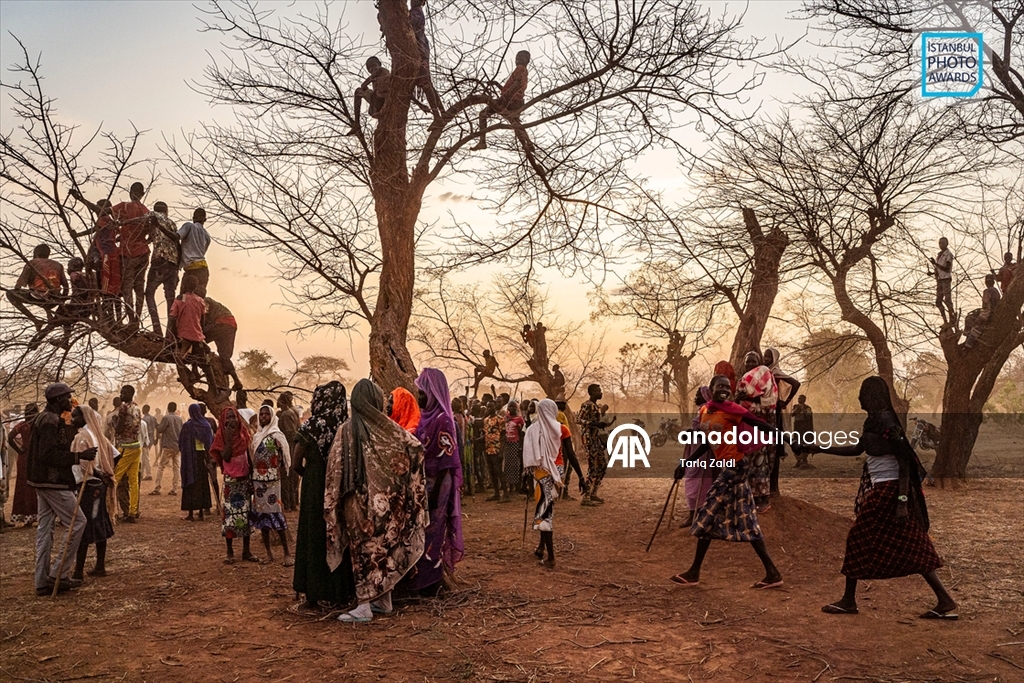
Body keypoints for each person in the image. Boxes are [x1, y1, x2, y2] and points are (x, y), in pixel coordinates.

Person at [816, 377, 956, 619]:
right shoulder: (875, 421)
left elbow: (904, 461)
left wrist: (902, 501)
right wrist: (817, 447)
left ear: (871, 395)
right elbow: (858, 449)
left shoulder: (885, 421)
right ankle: (945, 600)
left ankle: (849, 601)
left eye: (863, 393)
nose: (859, 398)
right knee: (913, 544)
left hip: (889, 490)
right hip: (886, 489)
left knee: (858, 538)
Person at [326, 379, 428, 622]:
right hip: (389, 504)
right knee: (384, 549)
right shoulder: (390, 429)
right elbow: (415, 447)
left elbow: (335, 469)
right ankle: (384, 600)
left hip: (358, 505)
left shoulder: (348, 430)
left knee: (363, 552)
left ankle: (364, 606)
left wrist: (333, 497)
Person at [670, 374, 783, 590]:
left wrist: (786, 438)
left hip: (736, 470)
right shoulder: (704, 411)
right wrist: (685, 464)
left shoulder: (733, 409)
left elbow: (760, 424)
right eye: (719, 386)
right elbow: (706, 444)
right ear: (711, 388)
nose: (724, 389)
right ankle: (772, 572)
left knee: (708, 514)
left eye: (727, 387)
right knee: (744, 520)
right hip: (729, 469)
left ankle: (694, 572)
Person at [292, 382, 356, 608]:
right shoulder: (346, 427)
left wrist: (312, 475)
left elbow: (295, 462)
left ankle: (312, 594)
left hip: (314, 488)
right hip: (340, 489)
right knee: (338, 535)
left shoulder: (311, 425)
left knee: (313, 535)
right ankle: (339, 593)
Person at [28, 382, 94, 595]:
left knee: (45, 530)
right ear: (57, 400)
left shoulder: (44, 418)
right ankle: (58, 574)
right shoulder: (50, 421)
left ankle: (42, 582)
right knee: (78, 522)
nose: (69, 401)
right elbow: (47, 454)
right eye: (66, 398)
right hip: (53, 481)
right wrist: (78, 457)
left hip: (41, 481)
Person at [411, 368, 465, 594]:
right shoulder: (424, 418)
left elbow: (447, 460)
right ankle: (419, 578)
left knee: (433, 529)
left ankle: (429, 582)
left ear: (433, 392)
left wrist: (433, 495)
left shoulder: (443, 420)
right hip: (425, 481)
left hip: (438, 482)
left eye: (422, 392)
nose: (419, 397)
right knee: (421, 529)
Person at [72, 183, 151, 323]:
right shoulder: (146, 212)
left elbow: (98, 217)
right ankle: (131, 320)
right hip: (143, 253)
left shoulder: (122, 208)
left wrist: (79, 198)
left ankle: (124, 319)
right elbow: (150, 235)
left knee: (118, 289)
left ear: (130, 192)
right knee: (135, 288)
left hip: (119, 255)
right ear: (142, 194)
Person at [69, 405, 116, 582]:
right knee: (99, 523)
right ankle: (99, 565)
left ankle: (78, 571)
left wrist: (96, 473)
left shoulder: (82, 437)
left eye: (75, 417)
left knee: (85, 526)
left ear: (84, 418)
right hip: (96, 485)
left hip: (88, 486)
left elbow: (83, 464)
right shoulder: (92, 435)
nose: (72, 420)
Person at [523, 398, 570, 568]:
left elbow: (529, 457)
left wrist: (527, 479)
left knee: (545, 514)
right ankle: (541, 547)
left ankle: (551, 557)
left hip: (541, 474)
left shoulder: (532, 430)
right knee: (546, 509)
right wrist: (580, 477)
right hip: (558, 473)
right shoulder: (561, 429)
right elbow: (569, 455)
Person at [245, 404, 291, 565]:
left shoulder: (277, 436)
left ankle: (287, 553)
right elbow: (251, 459)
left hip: (273, 482)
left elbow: (285, 458)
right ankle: (269, 554)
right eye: (261, 415)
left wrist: (280, 473)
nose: (263, 417)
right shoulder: (256, 437)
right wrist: (252, 479)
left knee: (276, 514)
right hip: (258, 481)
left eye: (266, 414)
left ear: (272, 417)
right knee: (263, 518)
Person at [210, 407, 257, 563]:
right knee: (230, 518)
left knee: (246, 516)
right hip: (231, 482)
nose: (231, 421)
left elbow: (249, 458)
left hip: (245, 480)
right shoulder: (221, 437)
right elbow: (226, 456)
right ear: (223, 421)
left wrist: (251, 480)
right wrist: (229, 439)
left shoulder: (244, 434)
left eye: (234, 417)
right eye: (228, 418)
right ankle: (230, 552)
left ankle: (246, 551)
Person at [736, 351, 778, 512]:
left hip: (762, 428)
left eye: (752, 361)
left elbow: (770, 401)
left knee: (761, 462)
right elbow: (737, 404)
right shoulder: (744, 381)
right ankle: (751, 496)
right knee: (748, 463)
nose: (749, 365)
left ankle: (764, 497)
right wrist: (741, 398)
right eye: (747, 362)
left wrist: (750, 398)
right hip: (746, 428)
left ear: (759, 362)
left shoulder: (765, 374)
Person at [472, 50, 531, 151]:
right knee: (516, 123)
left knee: (483, 114)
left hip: (511, 101)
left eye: (520, 57)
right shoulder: (523, 71)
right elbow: (512, 88)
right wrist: (497, 85)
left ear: (526, 60)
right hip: (516, 102)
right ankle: (528, 144)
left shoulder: (520, 69)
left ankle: (482, 142)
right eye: (517, 57)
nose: (517, 60)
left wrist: (503, 99)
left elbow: (516, 86)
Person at [8, 244, 69, 335]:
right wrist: (61, 300)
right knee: (45, 294)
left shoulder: (33, 263)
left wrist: (17, 290)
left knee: (10, 294)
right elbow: (66, 287)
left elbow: (20, 284)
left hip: (37, 297)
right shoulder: (58, 265)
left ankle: (35, 320)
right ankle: (49, 314)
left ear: (36, 253)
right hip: (54, 300)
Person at [763, 348, 800, 496]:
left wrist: (784, 401)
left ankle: (774, 487)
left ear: (775, 358)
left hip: (775, 412)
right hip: (764, 412)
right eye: (764, 356)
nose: (765, 358)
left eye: (768, 356)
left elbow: (796, 384)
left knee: (776, 446)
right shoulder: (763, 372)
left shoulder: (775, 372)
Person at [144, 202, 181, 336]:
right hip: (173, 263)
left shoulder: (153, 216)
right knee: (170, 298)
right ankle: (170, 334)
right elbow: (177, 244)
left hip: (159, 259)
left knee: (149, 293)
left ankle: (157, 330)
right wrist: (177, 268)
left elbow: (140, 221)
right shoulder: (172, 223)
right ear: (166, 211)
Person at [680, 387, 714, 528]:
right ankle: (693, 513)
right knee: (693, 480)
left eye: (698, 394)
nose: (695, 397)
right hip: (694, 449)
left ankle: (697, 514)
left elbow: (709, 434)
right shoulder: (701, 410)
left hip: (702, 452)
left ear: (706, 396)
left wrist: (692, 433)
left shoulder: (706, 410)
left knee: (698, 482)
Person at [111, 385, 143, 522]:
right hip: (136, 446)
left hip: (125, 446)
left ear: (129, 394)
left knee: (114, 478)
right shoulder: (137, 408)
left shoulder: (124, 408)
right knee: (133, 481)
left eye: (123, 393)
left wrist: (114, 422)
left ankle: (111, 511)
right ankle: (133, 511)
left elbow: (118, 429)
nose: (121, 395)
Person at [579, 384, 614, 506]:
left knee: (603, 466)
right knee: (593, 467)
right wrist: (593, 424)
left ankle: (593, 493)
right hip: (588, 439)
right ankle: (586, 497)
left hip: (596, 439)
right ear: (592, 392)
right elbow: (579, 420)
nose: (601, 393)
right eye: (599, 391)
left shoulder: (596, 406)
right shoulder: (586, 405)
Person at [178, 404, 213, 522]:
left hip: (190, 459)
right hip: (202, 457)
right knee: (202, 484)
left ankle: (191, 513)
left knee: (191, 483)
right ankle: (201, 513)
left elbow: (181, 443)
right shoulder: (206, 425)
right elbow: (209, 443)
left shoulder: (188, 426)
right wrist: (208, 459)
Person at [409, 0, 443, 117]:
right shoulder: (415, 11)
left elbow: (411, 22)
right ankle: (442, 112)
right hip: (421, 49)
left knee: (425, 82)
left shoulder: (416, 12)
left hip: (420, 51)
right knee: (427, 82)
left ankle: (438, 116)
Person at [8, 404, 40, 526]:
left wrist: (19, 450)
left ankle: (24, 516)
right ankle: (33, 515)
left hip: (23, 456)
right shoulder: (37, 425)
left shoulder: (21, 425)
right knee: (34, 486)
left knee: (22, 485)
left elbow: (10, 438)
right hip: (34, 457)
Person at [346, 57, 392, 136]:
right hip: (379, 101)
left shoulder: (381, 70)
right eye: (369, 68)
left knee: (358, 91)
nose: (371, 69)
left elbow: (366, 82)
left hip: (383, 99)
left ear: (379, 64)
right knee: (362, 93)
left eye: (373, 65)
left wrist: (364, 85)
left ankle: (357, 124)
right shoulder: (377, 78)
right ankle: (357, 124)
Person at [168, 274, 207, 357]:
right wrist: (200, 333)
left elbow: (172, 318)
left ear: (183, 285)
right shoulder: (200, 301)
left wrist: (174, 336)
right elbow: (202, 321)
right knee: (204, 362)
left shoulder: (180, 298)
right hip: (197, 337)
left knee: (178, 359)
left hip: (183, 336)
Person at [276, 392, 301, 513]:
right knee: (292, 477)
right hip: (293, 447)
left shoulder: (286, 415)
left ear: (282, 402)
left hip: (288, 447)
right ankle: (294, 502)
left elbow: (290, 433)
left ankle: (288, 504)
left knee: (287, 477)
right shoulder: (293, 412)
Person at [151, 402, 183, 495]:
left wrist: (156, 424)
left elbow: (160, 429)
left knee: (161, 466)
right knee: (176, 467)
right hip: (177, 446)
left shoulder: (166, 418)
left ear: (168, 409)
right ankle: (175, 488)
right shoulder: (179, 419)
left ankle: (157, 488)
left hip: (168, 446)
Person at [554, 400, 584, 500]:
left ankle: (562, 492)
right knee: (566, 467)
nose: (564, 405)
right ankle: (563, 492)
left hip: (563, 442)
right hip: (562, 444)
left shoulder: (560, 414)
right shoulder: (559, 414)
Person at [178, 209, 212, 293]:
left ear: (193, 218)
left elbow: (176, 236)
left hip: (192, 269)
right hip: (203, 269)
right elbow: (202, 253)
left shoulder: (188, 226)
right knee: (198, 299)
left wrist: (160, 227)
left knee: (184, 299)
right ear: (205, 220)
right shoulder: (207, 236)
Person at [964, 274, 1002, 349]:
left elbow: (985, 308)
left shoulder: (987, 291)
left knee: (969, 319)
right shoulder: (996, 291)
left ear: (986, 282)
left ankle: (968, 344)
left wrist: (979, 318)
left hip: (987, 315)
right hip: (994, 313)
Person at [483, 403, 507, 501]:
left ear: (494, 407)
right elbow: (486, 433)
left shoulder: (500, 419)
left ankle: (505, 494)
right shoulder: (486, 420)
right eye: (487, 407)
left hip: (497, 448)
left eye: (491, 406)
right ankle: (496, 493)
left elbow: (504, 436)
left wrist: (501, 451)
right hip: (488, 449)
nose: (489, 408)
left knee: (499, 471)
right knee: (492, 472)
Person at [502, 401, 526, 496]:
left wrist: (520, 446)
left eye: (513, 407)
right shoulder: (506, 418)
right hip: (507, 444)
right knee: (508, 466)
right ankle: (510, 486)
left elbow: (521, 434)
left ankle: (517, 487)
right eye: (510, 407)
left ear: (516, 408)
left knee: (516, 465)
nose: (511, 408)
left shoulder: (519, 419)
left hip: (515, 444)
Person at [931, 236, 955, 323]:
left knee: (947, 300)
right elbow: (940, 270)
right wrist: (933, 272)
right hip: (940, 279)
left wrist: (936, 264)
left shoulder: (948, 254)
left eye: (943, 243)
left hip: (946, 279)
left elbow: (947, 269)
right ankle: (945, 321)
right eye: (940, 243)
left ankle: (952, 318)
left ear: (947, 244)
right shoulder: (939, 255)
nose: (941, 245)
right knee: (938, 301)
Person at [791, 395, 815, 469]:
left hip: (805, 427)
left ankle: (804, 459)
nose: (799, 400)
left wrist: (804, 411)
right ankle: (798, 460)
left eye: (801, 399)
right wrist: (797, 409)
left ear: (804, 400)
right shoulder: (795, 406)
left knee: (805, 442)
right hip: (797, 426)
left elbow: (809, 417)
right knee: (797, 442)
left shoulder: (807, 408)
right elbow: (792, 414)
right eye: (798, 398)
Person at [140, 404, 157, 481]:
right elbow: (157, 428)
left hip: (145, 440)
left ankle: (148, 474)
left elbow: (144, 432)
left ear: (144, 410)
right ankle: (142, 473)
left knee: (145, 457)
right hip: (151, 439)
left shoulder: (144, 420)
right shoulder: (153, 418)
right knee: (145, 457)